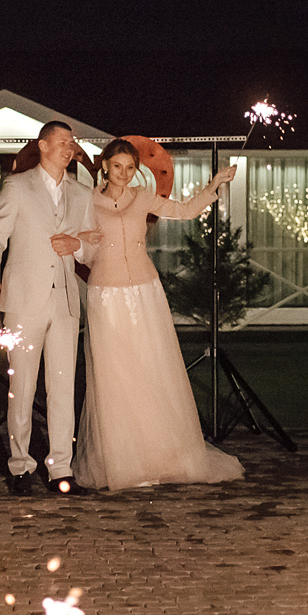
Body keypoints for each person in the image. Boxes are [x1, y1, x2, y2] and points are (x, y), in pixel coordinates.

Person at [73, 138, 244, 490]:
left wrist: (214, 184)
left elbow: (185, 210)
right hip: (105, 295)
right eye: (117, 166)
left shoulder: (142, 198)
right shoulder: (85, 201)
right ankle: (123, 462)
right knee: (113, 375)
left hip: (145, 292)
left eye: (130, 168)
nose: (123, 174)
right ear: (105, 165)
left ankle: (162, 456)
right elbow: (77, 247)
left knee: (151, 368)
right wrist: (80, 242)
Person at [0, 120, 99, 496]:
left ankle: (61, 469)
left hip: (65, 302)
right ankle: (20, 467)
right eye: (63, 142)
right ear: (43, 145)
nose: (70, 149)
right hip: (22, 301)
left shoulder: (82, 194)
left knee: (64, 387)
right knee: (23, 385)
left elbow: (92, 246)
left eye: (73, 144)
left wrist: (76, 247)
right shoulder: (17, 186)